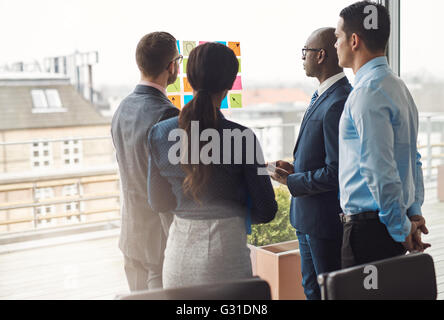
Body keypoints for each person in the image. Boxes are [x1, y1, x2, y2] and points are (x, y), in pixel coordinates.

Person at [147, 42, 277, 288]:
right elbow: (266, 209)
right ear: (229, 84)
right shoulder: (243, 137)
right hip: (227, 254)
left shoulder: (159, 133)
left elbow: (158, 202)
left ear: (190, 79)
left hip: (178, 255)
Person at [334, 1, 430, 269]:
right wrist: (413, 213)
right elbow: (413, 158)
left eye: (338, 37)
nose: (335, 45)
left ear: (354, 40)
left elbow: (379, 168)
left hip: (370, 231)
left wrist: (401, 229)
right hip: (387, 223)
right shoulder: (397, 86)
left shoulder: (366, 93)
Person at [270, 28, 352, 300]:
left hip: (324, 221)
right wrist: (295, 169)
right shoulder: (322, 95)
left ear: (321, 56)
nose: (302, 58)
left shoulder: (339, 100)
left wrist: (290, 181)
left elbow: (336, 172)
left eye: (305, 52)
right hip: (306, 218)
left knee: (328, 292)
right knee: (311, 290)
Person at [111, 32, 181, 291]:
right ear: (172, 66)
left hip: (131, 236)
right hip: (159, 242)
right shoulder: (168, 114)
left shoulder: (122, 108)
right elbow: (176, 183)